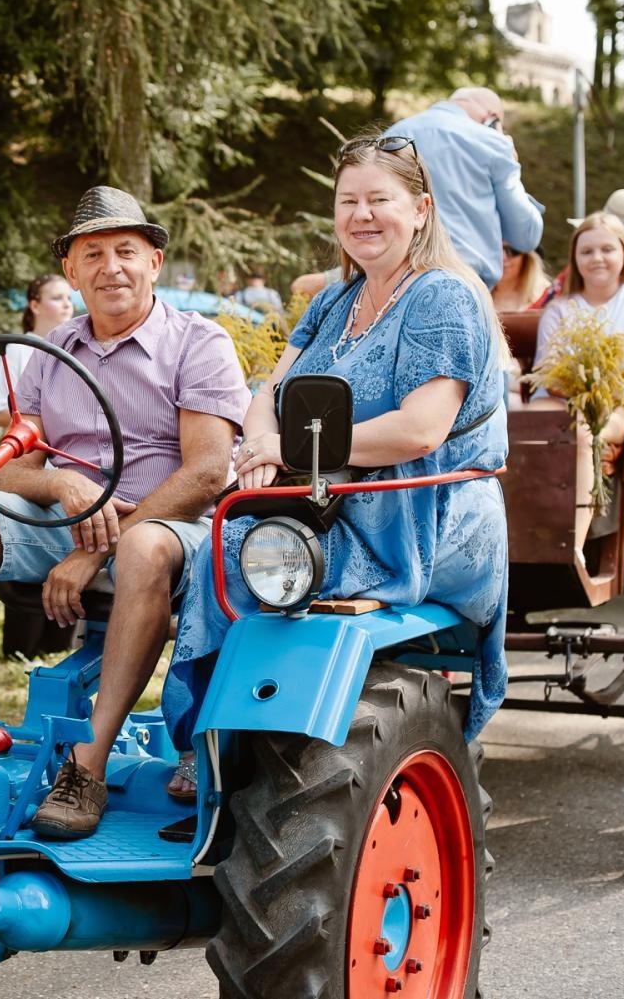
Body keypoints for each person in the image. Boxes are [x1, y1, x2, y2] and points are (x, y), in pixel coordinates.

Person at [164, 132, 511, 790]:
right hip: (338, 501)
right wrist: (260, 444)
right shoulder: (335, 300)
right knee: (223, 548)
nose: (362, 215)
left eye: (380, 198)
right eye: (348, 201)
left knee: (246, 557)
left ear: (421, 208)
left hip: (429, 515)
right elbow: (269, 393)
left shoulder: (442, 298)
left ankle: (235, 741)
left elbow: (420, 428)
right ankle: (216, 737)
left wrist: (293, 449)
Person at [0, 185, 250, 839]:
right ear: (71, 271)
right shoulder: (53, 348)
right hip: (70, 525)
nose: (111, 266)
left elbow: (206, 470)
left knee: (139, 548)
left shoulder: (198, 341)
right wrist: (61, 484)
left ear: (155, 263)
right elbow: (12, 463)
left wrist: (98, 548)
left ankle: (88, 769)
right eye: (93, 253)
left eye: (126, 250)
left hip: (173, 528)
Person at [385, 86, 544, 288]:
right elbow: (526, 236)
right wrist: (511, 161)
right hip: (464, 282)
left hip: (396, 279)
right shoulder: (493, 142)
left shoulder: (393, 136)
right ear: (492, 118)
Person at [529, 212, 624, 401]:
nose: (597, 258)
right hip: (562, 404)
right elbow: (550, 376)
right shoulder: (557, 310)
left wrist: (600, 389)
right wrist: (589, 394)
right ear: (575, 259)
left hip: (623, 401)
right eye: (587, 252)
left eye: (607, 249)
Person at [0, 274, 75, 429]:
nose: (67, 304)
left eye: (69, 298)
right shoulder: (16, 350)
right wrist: (51, 408)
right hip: (32, 449)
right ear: (35, 306)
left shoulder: (75, 348)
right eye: (57, 298)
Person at [491, 244, 552, 312]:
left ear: (527, 256)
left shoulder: (548, 296)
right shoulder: (478, 296)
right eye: (494, 248)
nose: (503, 257)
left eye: (512, 250)